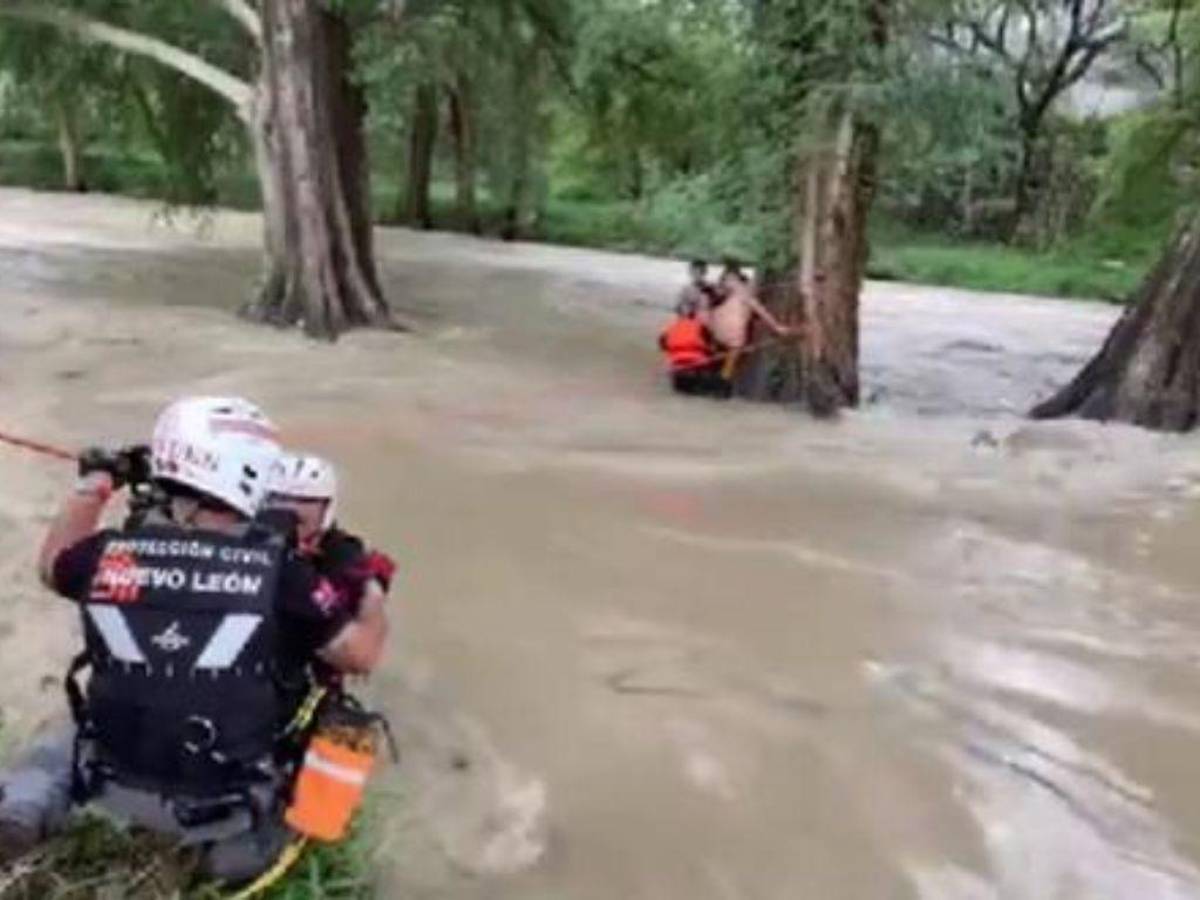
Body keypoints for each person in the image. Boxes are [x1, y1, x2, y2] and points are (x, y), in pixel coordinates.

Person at [0, 396, 389, 885]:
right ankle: (213, 862)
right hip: (225, 807)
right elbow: (362, 655)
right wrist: (371, 586)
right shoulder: (281, 573)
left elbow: (52, 564)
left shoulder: (111, 554)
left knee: (65, 739)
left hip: (111, 778)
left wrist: (97, 482)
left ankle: (26, 806)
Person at [262, 452, 396, 687]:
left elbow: (362, 655)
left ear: (326, 508)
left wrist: (371, 590)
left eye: (305, 500)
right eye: (280, 497)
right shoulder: (252, 547)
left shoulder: (342, 555)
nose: (291, 508)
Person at [709, 263, 794, 382]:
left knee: (734, 350)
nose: (728, 283)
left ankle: (724, 377)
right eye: (726, 280)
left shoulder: (744, 293)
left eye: (731, 279)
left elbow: (760, 310)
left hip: (733, 340)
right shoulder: (721, 295)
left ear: (738, 280)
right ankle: (721, 375)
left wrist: (776, 327)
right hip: (719, 337)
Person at [658, 297, 730, 399]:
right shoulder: (700, 327)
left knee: (682, 395)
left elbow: (663, 346)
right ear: (694, 315)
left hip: (678, 367)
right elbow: (712, 345)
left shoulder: (670, 329)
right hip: (698, 366)